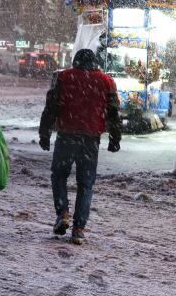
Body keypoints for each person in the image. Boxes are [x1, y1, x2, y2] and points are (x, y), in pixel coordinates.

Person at [38, 49, 122, 245]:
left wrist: (44, 134)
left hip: (66, 135)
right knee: (86, 184)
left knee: (59, 175)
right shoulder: (107, 81)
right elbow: (113, 113)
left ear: (75, 62)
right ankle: (78, 229)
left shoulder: (63, 77)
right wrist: (115, 138)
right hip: (90, 139)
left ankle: (63, 213)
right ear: (95, 63)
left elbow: (51, 108)